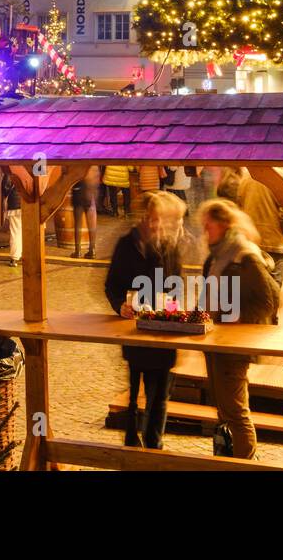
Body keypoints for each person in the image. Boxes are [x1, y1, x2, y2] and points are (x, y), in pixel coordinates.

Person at [197, 198, 279, 459]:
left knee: (235, 412)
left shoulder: (244, 255)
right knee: (225, 410)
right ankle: (229, 460)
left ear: (223, 225)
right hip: (215, 339)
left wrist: (236, 318)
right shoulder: (219, 253)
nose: (205, 232)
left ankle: (245, 463)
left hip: (235, 343)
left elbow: (270, 300)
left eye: (208, 226)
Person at [104, 191, 187, 448]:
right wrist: (121, 306)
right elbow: (113, 285)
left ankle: (155, 444)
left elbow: (178, 283)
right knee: (134, 387)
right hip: (136, 331)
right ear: (143, 218)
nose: (156, 225)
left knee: (160, 393)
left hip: (163, 330)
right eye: (152, 219)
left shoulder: (169, 245)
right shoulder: (127, 245)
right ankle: (132, 439)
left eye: (160, 220)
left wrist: (173, 304)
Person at [227, 168, 283, 288]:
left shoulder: (247, 177)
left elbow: (240, 207)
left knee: (255, 288)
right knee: (274, 289)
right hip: (276, 242)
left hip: (252, 243)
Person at [70, 165, 102, 259]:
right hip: (90, 192)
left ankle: (78, 251)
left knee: (78, 223)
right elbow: (96, 177)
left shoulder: (79, 157)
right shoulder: (94, 163)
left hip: (79, 188)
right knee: (92, 224)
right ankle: (92, 250)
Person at [1, 171, 23, 266]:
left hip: (14, 204)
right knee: (28, 232)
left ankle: (14, 258)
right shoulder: (31, 166)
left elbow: (5, 189)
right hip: (29, 203)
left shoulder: (10, 169)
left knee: (15, 232)